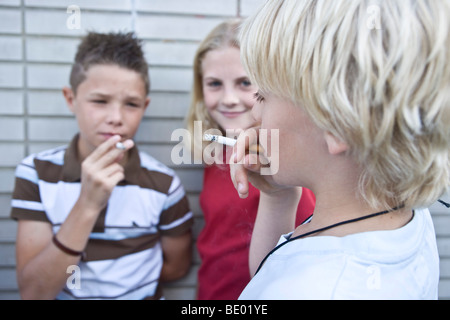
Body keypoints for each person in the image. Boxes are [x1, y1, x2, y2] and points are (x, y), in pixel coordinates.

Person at [231, 0, 449, 299]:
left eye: (262, 95)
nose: (254, 115)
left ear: (339, 124)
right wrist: (278, 198)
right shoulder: (398, 214)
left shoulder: (324, 289)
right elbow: (272, 275)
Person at [10, 32, 193, 300]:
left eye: (131, 104)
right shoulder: (37, 174)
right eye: (100, 101)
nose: (116, 118)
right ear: (70, 99)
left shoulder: (164, 184)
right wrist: (88, 203)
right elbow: (34, 292)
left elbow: (175, 267)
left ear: (145, 106)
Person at [185, 19, 315, 300]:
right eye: (215, 84)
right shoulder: (217, 153)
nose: (229, 99)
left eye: (244, 83)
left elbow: (298, 261)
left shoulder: (281, 163)